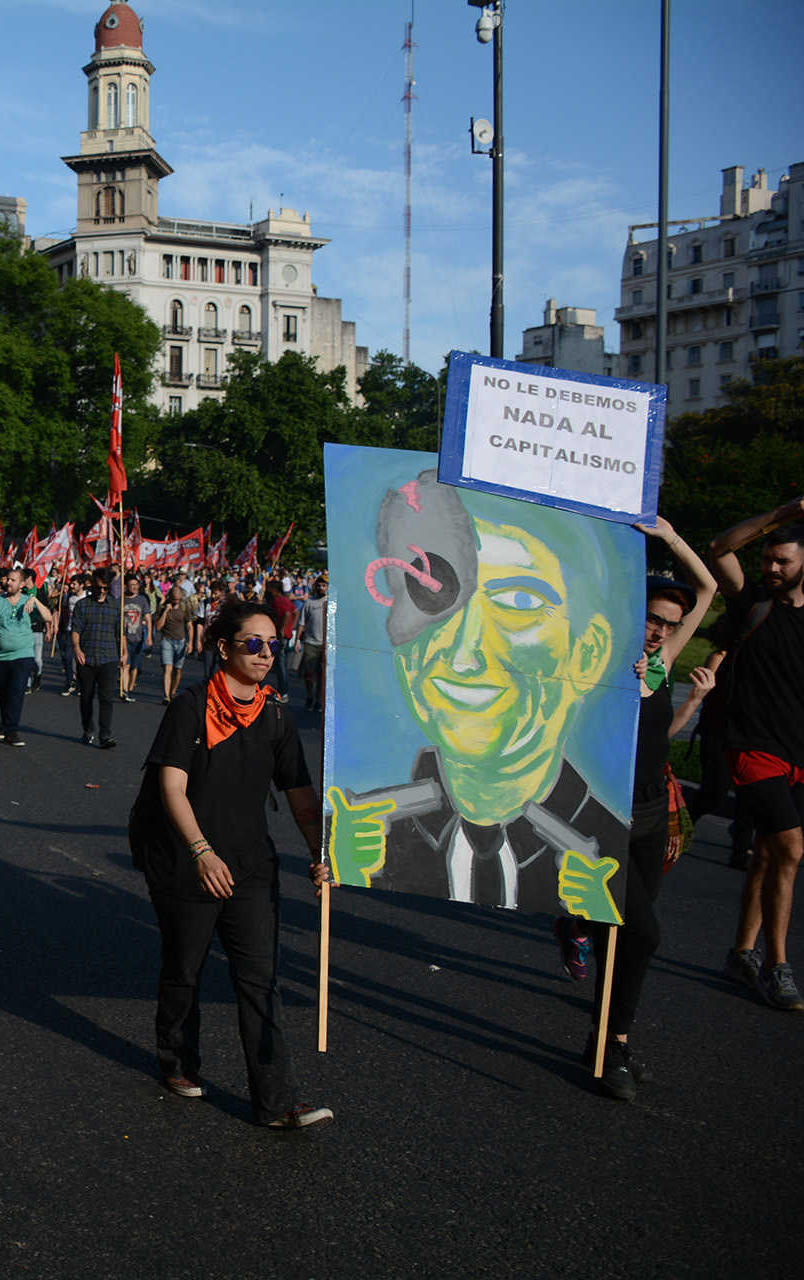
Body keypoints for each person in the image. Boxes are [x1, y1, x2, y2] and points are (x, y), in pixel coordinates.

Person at [324, 470, 630, 920]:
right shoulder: (360, 832)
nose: (464, 654)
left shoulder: (602, 851)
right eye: (435, 597)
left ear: (588, 654)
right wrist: (344, 868)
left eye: (519, 602)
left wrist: (599, 920)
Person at [133, 598, 332, 1127]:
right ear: (225, 647)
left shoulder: (275, 715)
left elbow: (301, 797)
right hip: (186, 860)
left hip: (251, 866)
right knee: (185, 969)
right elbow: (170, 785)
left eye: (275, 644)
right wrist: (201, 851)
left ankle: (277, 1101)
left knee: (260, 978)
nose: (267, 653)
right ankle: (178, 1062)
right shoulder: (190, 706)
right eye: (255, 643)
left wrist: (322, 856)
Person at [556, 520, 717, 1099]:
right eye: (652, 619)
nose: (660, 631)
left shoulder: (662, 664)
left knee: (626, 938)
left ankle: (612, 1042)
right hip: (605, 817)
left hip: (653, 814)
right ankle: (607, 1046)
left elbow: (709, 588)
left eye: (670, 625)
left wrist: (672, 536)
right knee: (639, 936)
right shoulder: (598, 661)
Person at [708, 499, 804, 1010]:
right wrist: (785, 511)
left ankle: (740, 953)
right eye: (768, 559)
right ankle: (776, 966)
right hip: (753, 747)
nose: (771, 568)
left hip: (799, 753)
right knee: (790, 850)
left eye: (782, 561)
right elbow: (720, 548)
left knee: (769, 855)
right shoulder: (752, 601)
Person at [0, 567, 51, 747]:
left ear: (22, 584)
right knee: (2, 693)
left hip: (22, 655)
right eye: (7, 579)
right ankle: (5, 722)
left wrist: (35, 600)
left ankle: (11, 730)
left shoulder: (28, 601)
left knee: (16, 692)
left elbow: (47, 616)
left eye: (13, 580)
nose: (8, 583)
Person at [70, 568, 124, 749]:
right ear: (93, 585)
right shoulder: (82, 605)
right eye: (99, 587)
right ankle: (88, 728)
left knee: (106, 698)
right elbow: (75, 629)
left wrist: (124, 652)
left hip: (109, 657)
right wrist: (77, 649)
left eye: (105, 588)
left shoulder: (116, 605)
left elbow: (120, 632)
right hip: (87, 657)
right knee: (86, 697)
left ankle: (105, 735)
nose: (101, 591)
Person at [155, 585, 194, 704]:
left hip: (180, 640)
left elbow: (189, 625)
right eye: (173, 599)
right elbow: (158, 626)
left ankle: (173, 691)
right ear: (170, 597)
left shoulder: (184, 607)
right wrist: (166, 611)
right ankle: (166, 696)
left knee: (178, 669)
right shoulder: (162, 607)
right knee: (168, 668)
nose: (175, 602)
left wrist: (191, 642)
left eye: (177, 599)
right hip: (167, 640)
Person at [296, 577, 328, 712]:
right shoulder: (309, 602)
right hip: (310, 641)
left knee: (322, 674)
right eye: (319, 585)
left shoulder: (330, 603)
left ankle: (318, 701)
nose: (321, 588)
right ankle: (310, 696)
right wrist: (297, 640)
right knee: (309, 672)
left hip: (325, 644)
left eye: (324, 585)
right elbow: (302, 623)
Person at [120, 573, 152, 700]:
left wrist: (149, 635)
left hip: (138, 637)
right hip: (124, 637)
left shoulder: (142, 600)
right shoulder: (122, 600)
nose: (134, 587)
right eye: (131, 585)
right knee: (125, 665)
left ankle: (130, 687)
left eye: (136, 585)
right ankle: (125, 690)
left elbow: (148, 618)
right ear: (126, 586)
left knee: (135, 666)